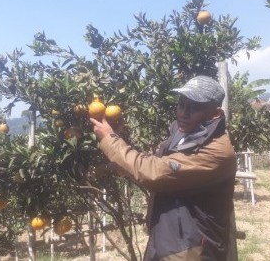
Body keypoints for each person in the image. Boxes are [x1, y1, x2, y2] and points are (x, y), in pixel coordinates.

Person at [89, 75, 237, 261]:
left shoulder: (217, 152)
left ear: (215, 114)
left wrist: (109, 139)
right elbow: (148, 161)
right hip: (169, 242)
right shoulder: (184, 135)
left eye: (194, 107)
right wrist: (119, 137)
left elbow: (154, 172)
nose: (183, 113)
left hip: (193, 250)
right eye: (181, 104)